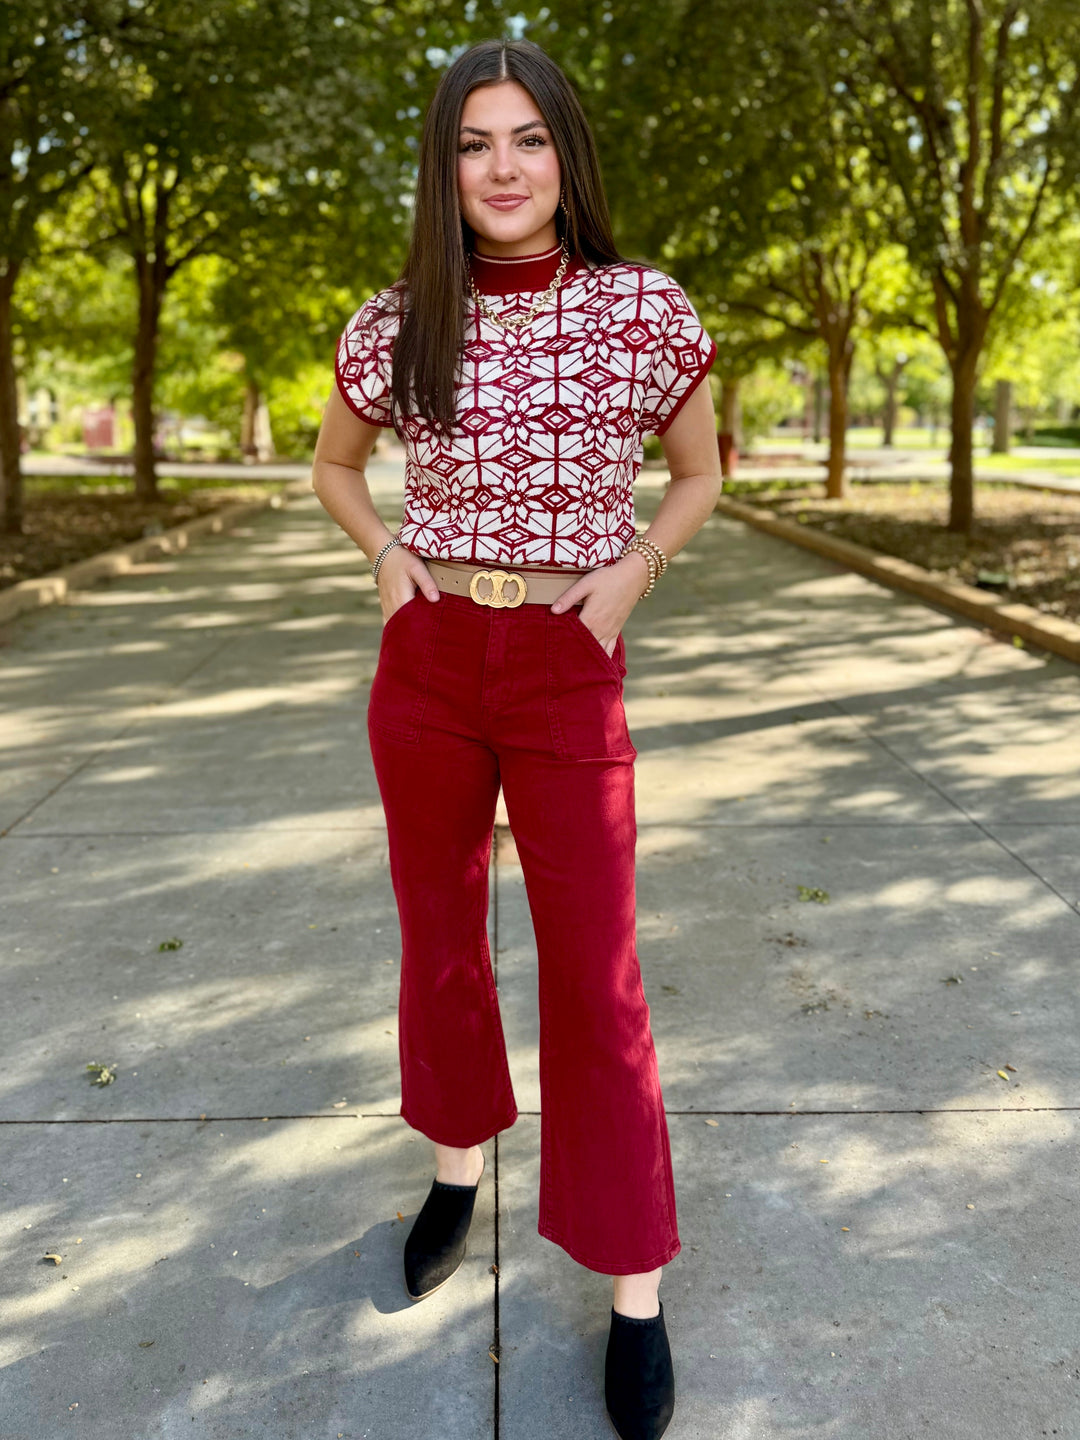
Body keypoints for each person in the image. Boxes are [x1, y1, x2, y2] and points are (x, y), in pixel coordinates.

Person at [312, 37, 721, 1440]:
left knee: (598, 979)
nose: (502, 166)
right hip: (430, 663)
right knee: (439, 939)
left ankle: (638, 1295)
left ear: (566, 157)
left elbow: (700, 467)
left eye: (528, 138)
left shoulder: (642, 309)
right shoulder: (397, 317)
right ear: (446, 165)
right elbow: (333, 461)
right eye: (475, 141)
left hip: (566, 661)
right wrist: (384, 554)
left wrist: (630, 575)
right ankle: (456, 1167)